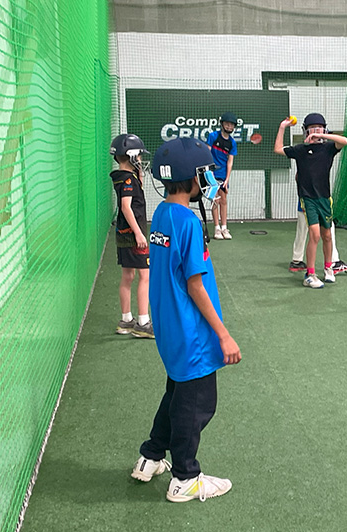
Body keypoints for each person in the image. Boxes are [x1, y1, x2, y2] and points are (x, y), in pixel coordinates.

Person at [131, 137, 242, 502]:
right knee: (196, 406)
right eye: (204, 171)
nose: (208, 176)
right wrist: (223, 335)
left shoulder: (162, 212)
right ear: (191, 177)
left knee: (176, 394)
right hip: (191, 331)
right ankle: (184, 477)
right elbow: (195, 285)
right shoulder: (189, 222)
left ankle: (150, 456)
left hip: (170, 328)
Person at [275, 113, 347, 288]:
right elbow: (278, 149)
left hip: (325, 199)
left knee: (327, 236)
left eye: (319, 128)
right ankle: (310, 274)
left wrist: (322, 136)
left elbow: (344, 141)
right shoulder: (300, 150)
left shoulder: (329, 148)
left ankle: (329, 268)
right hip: (308, 199)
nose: (315, 131)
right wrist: (282, 127)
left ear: (324, 129)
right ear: (305, 131)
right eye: (312, 129)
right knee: (314, 235)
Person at [110, 133, 154, 339]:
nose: (141, 161)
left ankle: (126, 320)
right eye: (139, 157)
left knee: (128, 276)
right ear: (131, 156)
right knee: (145, 275)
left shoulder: (125, 177)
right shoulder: (127, 179)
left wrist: (140, 177)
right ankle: (143, 323)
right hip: (132, 234)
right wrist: (138, 233)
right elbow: (126, 206)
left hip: (122, 233)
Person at [289, 202, 347, 274]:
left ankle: (296, 261)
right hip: (317, 202)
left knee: (302, 229)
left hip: (305, 202)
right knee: (328, 228)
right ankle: (334, 261)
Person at [206, 112, 238, 240]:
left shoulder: (232, 143)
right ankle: (217, 228)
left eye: (232, 125)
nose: (229, 127)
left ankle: (224, 228)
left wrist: (227, 179)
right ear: (222, 124)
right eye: (227, 124)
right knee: (215, 199)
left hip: (223, 174)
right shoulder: (213, 136)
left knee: (224, 200)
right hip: (212, 173)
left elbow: (230, 161)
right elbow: (207, 153)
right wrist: (209, 173)